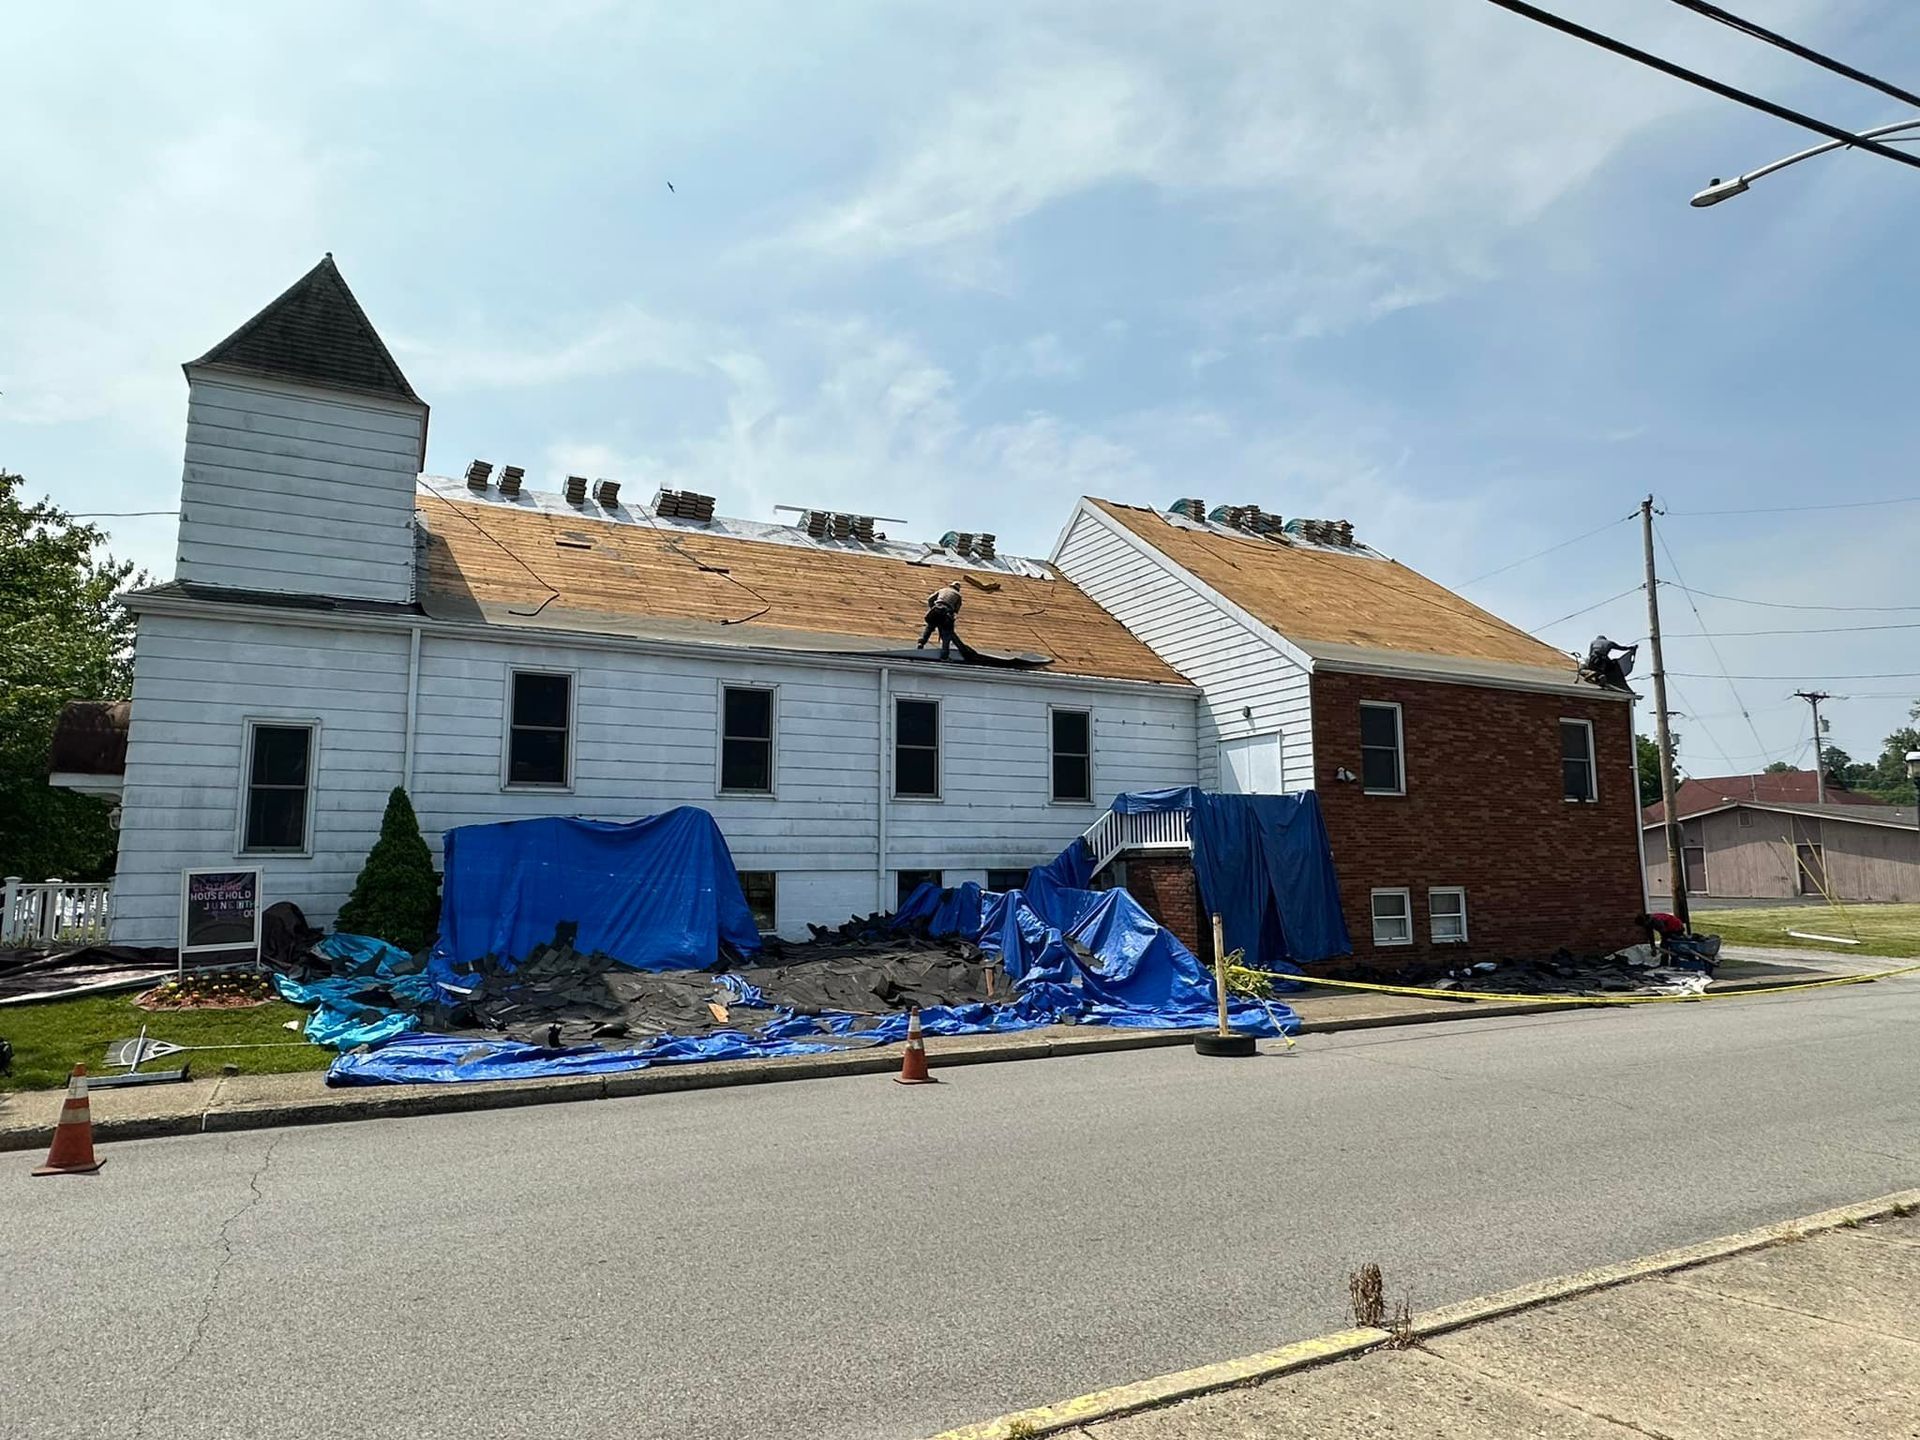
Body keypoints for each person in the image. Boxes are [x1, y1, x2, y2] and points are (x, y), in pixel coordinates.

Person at [917, 581, 964, 659]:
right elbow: (956, 610)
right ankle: (944, 654)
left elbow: (930, 599)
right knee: (946, 634)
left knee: (929, 627)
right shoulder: (958, 595)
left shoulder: (942, 590)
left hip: (935, 610)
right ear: (958, 589)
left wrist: (932, 607)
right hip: (946, 613)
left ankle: (921, 643)